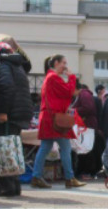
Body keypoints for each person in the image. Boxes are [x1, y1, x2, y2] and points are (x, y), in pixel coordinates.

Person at [0, 42, 34, 197]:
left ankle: (7, 187)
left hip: (8, 115)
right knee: (11, 149)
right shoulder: (15, 66)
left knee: (3, 149)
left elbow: (6, 87)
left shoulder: (1, 66)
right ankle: (14, 186)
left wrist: (3, 111)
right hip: (17, 113)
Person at [31, 55, 87, 189]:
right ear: (56, 63)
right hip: (54, 118)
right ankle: (69, 178)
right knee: (65, 148)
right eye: (63, 63)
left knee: (45, 148)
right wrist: (72, 77)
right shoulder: (53, 78)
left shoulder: (49, 77)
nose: (65, 66)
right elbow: (68, 92)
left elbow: (65, 93)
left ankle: (37, 176)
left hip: (50, 117)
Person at [74, 83, 101, 180]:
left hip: (87, 126)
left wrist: (73, 110)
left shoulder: (84, 95)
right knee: (85, 149)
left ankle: (88, 171)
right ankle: (87, 171)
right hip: (85, 126)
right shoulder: (83, 95)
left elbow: (88, 108)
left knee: (86, 150)